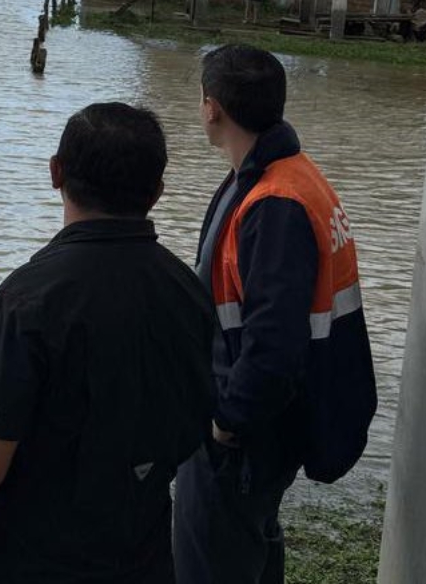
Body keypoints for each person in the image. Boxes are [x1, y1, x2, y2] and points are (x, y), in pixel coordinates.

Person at [0, 102, 214, 583]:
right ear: (158, 192)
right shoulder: (189, 293)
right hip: (145, 561)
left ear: (55, 172)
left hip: (35, 564)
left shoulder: (31, 299)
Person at [173, 45, 374, 584]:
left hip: (244, 437)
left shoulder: (275, 203)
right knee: (255, 549)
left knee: (211, 562)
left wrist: (224, 423)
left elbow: (275, 343)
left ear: (211, 108)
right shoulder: (290, 175)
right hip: (267, 426)